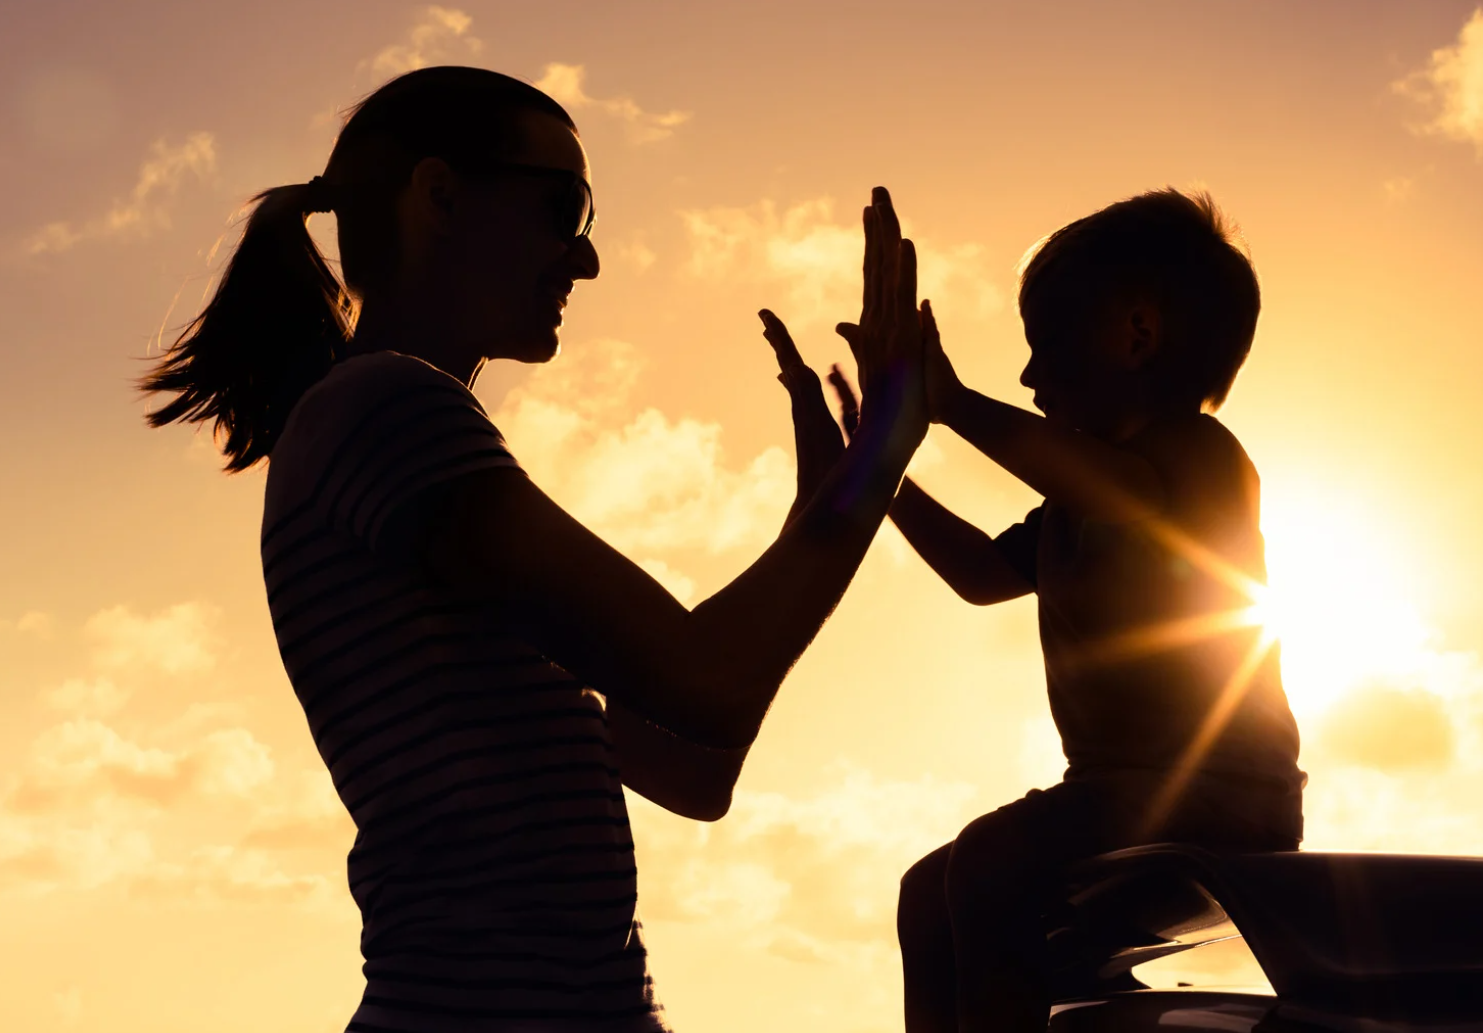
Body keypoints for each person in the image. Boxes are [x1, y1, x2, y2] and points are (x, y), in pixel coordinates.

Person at [141, 65, 929, 1033]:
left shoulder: (399, 440)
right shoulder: (386, 412)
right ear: (438, 196)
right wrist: (873, 465)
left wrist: (820, 516)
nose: (585, 260)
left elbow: (697, 768)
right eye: (566, 206)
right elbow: (710, 685)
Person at [879, 190, 1305, 1033]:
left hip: (1225, 796)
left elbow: (1126, 500)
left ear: (1135, 335)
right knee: (929, 890)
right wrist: (874, 467)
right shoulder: (1070, 508)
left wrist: (954, 403)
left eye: (1045, 347)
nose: (1031, 377)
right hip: (1117, 799)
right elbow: (976, 573)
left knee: (993, 860)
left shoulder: (1198, 456)